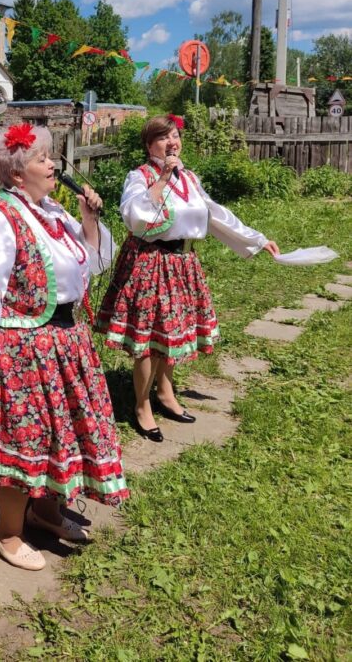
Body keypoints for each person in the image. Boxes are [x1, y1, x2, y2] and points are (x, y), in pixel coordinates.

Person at [0, 123, 129, 571]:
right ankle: (7, 532)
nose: (53, 165)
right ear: (16, 174)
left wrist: (89, 220)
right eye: (42, 158)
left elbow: (92, 262)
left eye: (51, 157)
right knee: (24, 439)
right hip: (20, 349)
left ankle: (46, 513)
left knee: (59, 435)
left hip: (64, 342)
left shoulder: (54, 213)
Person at [97, 114, 280, 443]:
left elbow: (213, 213)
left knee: (174, 335)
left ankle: (166, 392)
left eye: (175, 136)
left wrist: (256, 239)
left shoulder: (190, 179)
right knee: (148, 342)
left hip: (183, 264)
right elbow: (134, 216)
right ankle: (141, 406)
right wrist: (163, 177)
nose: (172, 143)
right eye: (163, 138)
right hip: (150, 263)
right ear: (149, 145)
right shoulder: (139, 177)